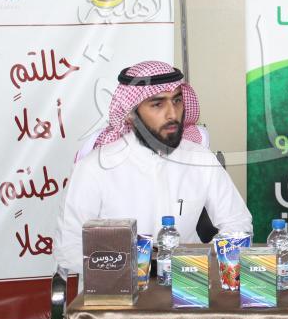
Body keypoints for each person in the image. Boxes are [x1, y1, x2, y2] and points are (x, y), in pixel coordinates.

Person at [55, 61, 252, 275]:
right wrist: (135, 268)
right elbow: (69, 248)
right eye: (157, 104)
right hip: (119, 286)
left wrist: (204, 263)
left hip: (188, 282)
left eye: (177, 100)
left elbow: (238, 223)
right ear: (131, 113)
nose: (172, 114)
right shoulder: (94, 168)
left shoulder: (201, 159)